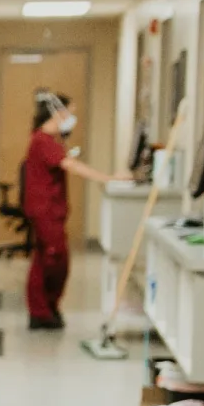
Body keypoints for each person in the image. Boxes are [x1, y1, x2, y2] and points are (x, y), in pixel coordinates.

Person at [21, 92, 125, 329]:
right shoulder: (42, 141)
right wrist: (108, 178)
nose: (71, 119)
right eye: (70, 113)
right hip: (45, 211)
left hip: (51, 211)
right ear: (58, 113)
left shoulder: (50, 141)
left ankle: (47, 308)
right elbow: (71, 166)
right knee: (53, 261)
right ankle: (41, 312)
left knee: (49, 260)